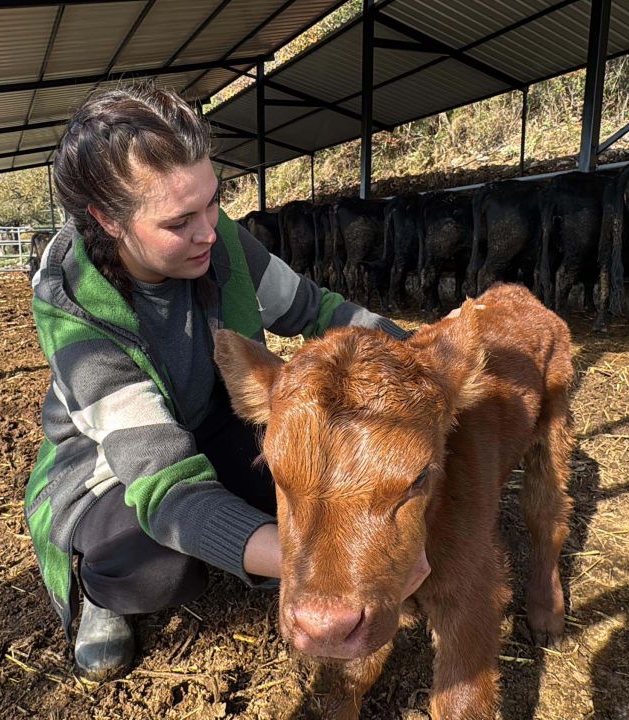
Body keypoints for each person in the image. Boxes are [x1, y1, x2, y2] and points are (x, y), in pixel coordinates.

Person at [26, 84, 429, 681]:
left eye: (212, 202)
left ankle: (252, 539)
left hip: (214, 418)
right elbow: (164, 482)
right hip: (111, 468)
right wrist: (327, 566)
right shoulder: (76, 313)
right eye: (179, 220)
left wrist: (420, 363)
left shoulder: (223, 244)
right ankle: (97, 593)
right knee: (154, 564)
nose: (208, 232)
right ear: (108, 220)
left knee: (314, 484)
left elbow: (315, 310)